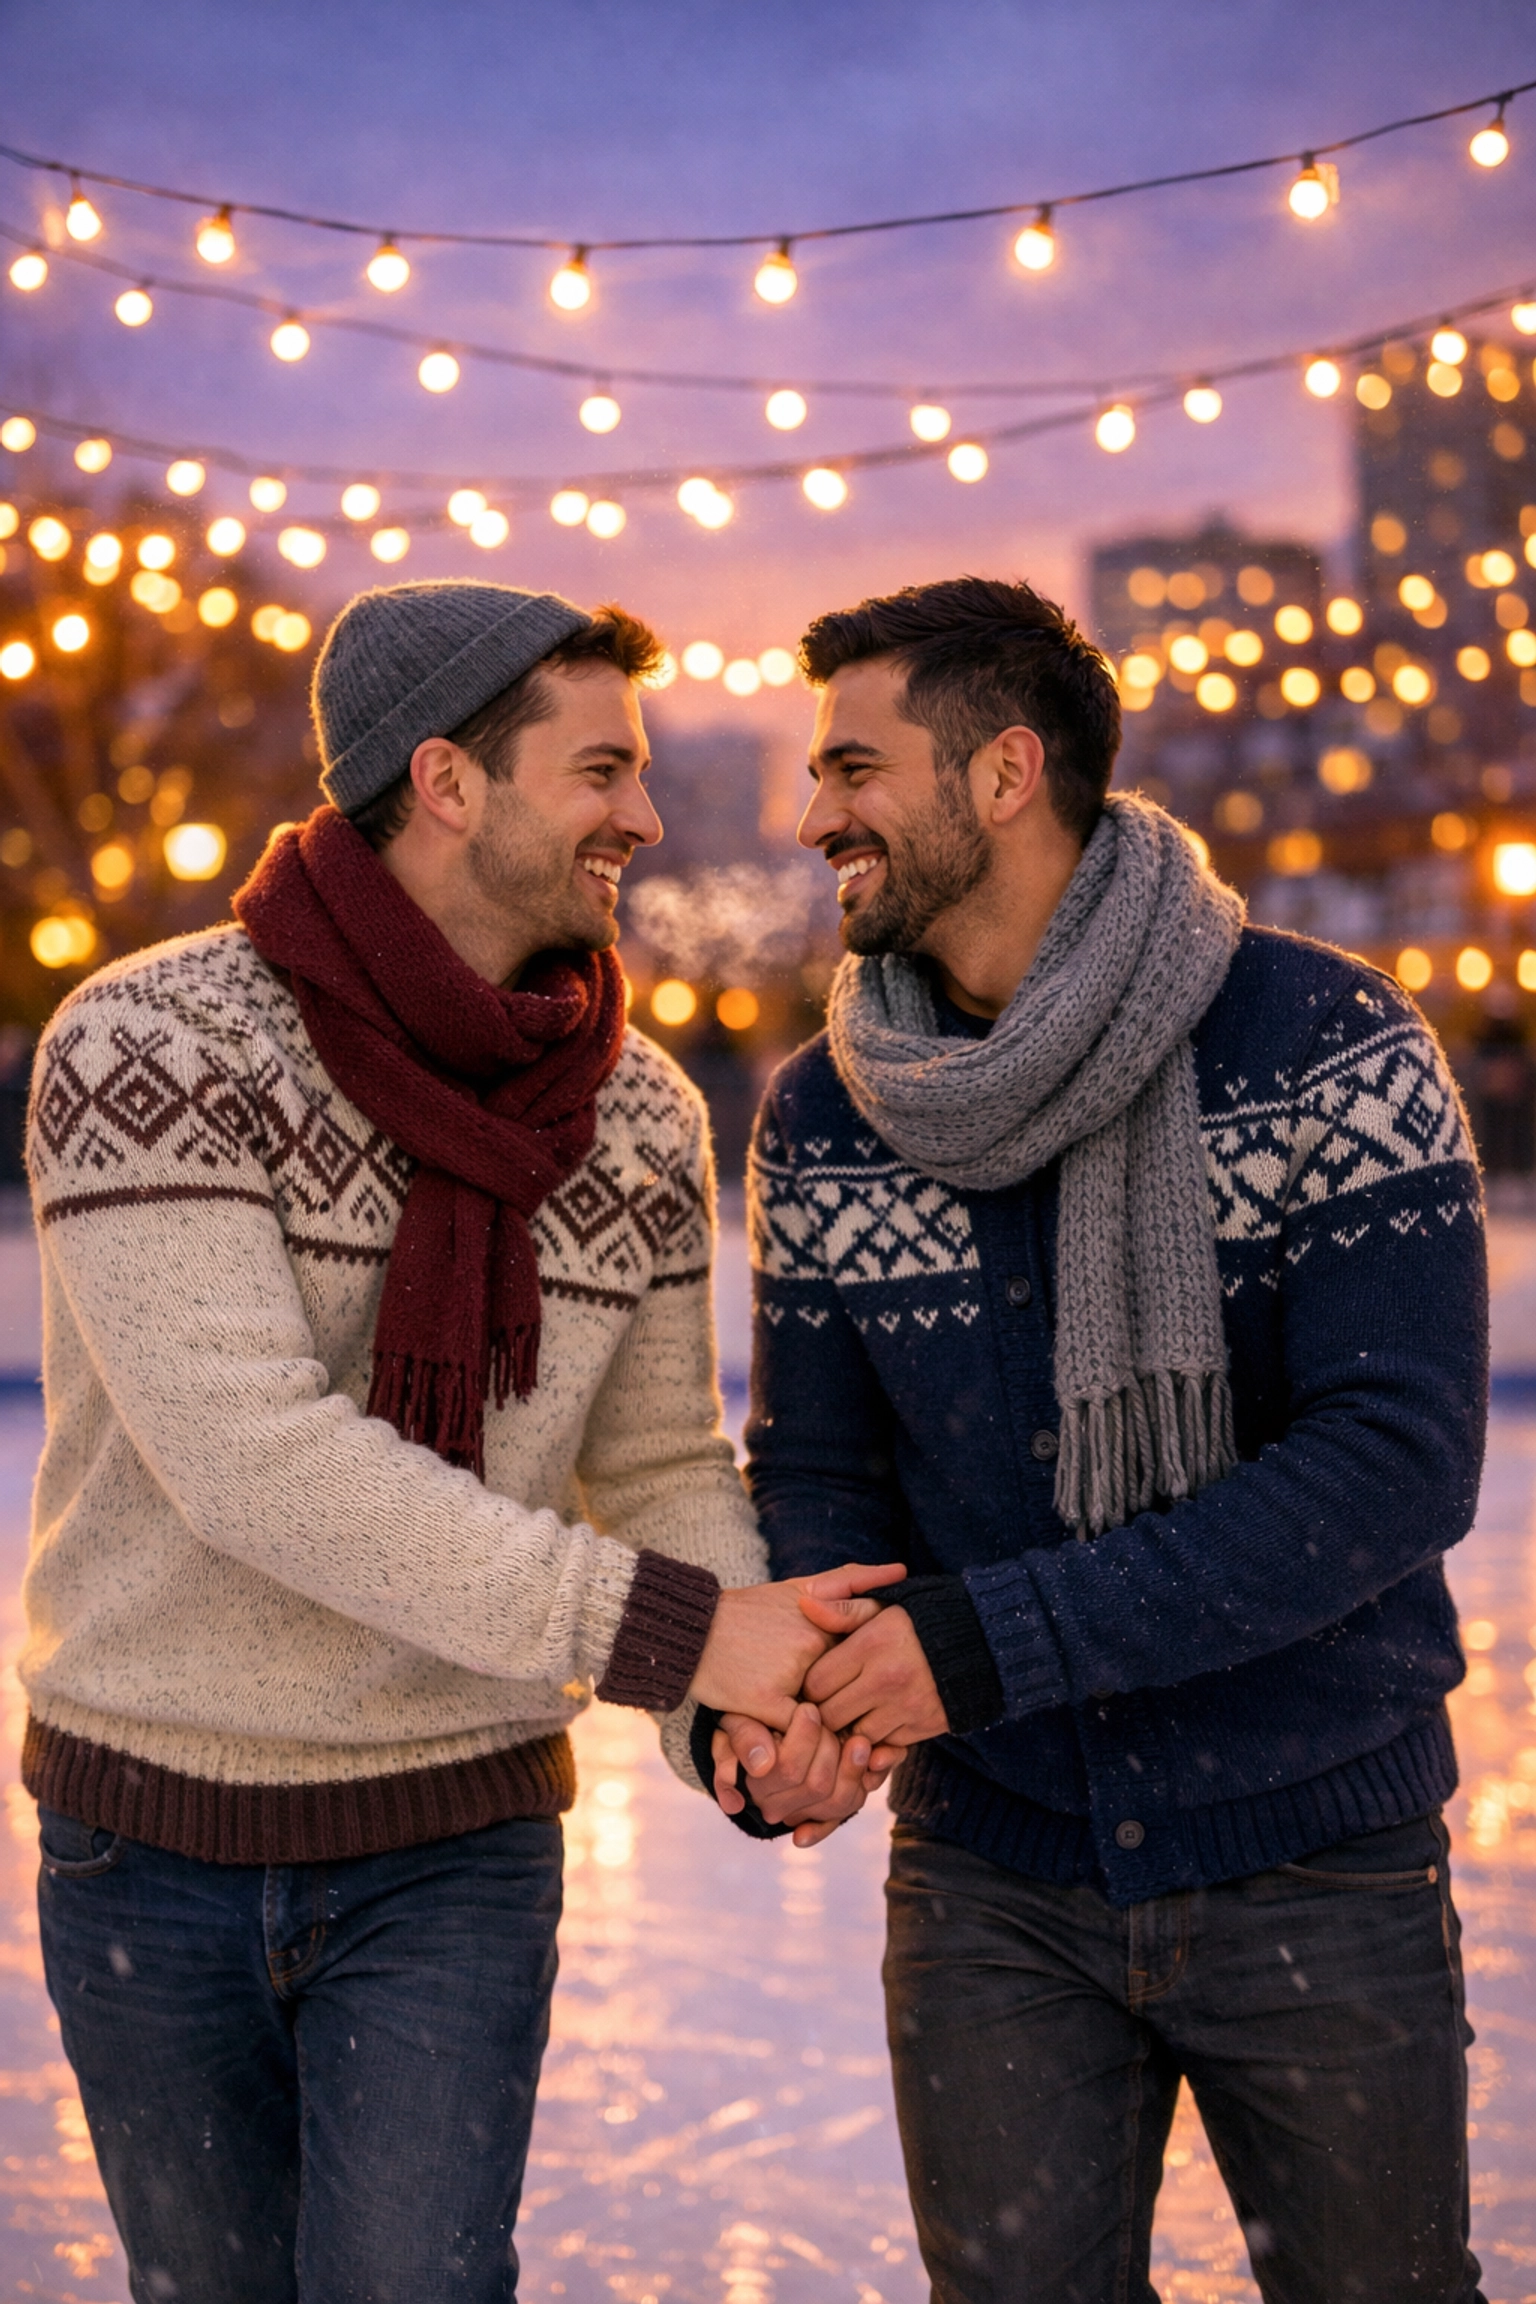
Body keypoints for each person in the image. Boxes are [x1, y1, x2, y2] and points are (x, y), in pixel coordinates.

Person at [22, 578, 896, 2304]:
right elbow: (253, 1461)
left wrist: (732, 1713)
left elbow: (653, 1466)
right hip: (155, 1842)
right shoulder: (155, 1042)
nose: (643, 817)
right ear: (445, 780)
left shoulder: (635, 1111)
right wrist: (677, 1635)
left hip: (455, 1851)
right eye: (601, 771)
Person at [708, 576, 1489, 2303]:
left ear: (1003, 774)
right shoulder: (831, 1117)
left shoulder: (1322, 1043)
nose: (813, 812)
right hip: (996, 1885)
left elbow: (1399, 1462)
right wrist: (790, 1718)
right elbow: (823, 1475)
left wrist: (984, 1649)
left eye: (852, 764)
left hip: (1314, 1857)